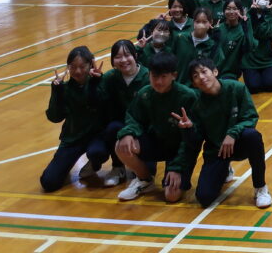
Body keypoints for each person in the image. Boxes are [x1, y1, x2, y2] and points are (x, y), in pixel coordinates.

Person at [175, 57, 272, 208]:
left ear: (215, 72)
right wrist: (189, 128)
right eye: (195, 76)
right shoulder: (196, 103)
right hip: (217, 150)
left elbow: (250, 117)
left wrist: (232, 133)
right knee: (204, 197)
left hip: (239, 143)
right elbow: (195, 141)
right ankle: (225, 169)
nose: (201, 77)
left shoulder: (236, 88)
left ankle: (260, 187)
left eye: (204, 72)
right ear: (194, 84)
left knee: (253, 136)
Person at [115, 51, 198, 202]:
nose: (158, 82)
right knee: (122, 145)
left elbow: (191, 141)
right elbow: (133, 117)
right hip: (157, 143)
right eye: (154, 76)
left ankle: (174, 173)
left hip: (179, 150)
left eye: (163, 77)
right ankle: (145, 180)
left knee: (171, 196)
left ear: (174, 75)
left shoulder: (187, 96)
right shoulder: (145, 94)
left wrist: (176, 167)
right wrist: (128, 132)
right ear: (149, 75)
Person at [40, 46, 105, 192]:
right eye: (73, 67)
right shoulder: (64, 88)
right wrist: (56, 92)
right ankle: (64, 167)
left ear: (90, 65)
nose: (78, 71)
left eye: (82, 66)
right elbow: (55, 117)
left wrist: (95, 84)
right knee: (49, 183)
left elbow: (99, 104)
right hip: (73, 139)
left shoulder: (99, 81)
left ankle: (93, 164)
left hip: (96, 137)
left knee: (98, 151)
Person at [97, 40, 151, 186]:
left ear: (135, 56)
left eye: (127, 55)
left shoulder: (148, 77)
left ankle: (137, 165)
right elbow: (98, 100)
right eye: (118, 57)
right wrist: (95, 81)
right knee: (112, 128)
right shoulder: (110, 77)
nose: (123, 60)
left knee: (149, 170)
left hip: (144, 128)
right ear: (112, 60)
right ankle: (117, 167)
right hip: (121, 126)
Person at [243, 0, 272, 93]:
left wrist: (266, 13)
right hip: (250, 59)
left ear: (271, 2)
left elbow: (263, 33)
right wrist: (252, 13)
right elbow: (249, 32)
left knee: (271, 85)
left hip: (266, 58)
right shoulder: (247, 14)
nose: (262, 0)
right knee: (253, 87)